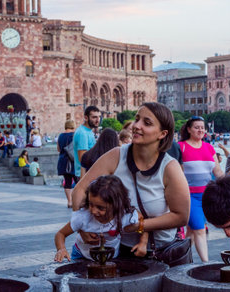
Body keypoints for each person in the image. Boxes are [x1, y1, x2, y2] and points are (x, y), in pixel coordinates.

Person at [72, 102, 190, 261]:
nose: (136, 126)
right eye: (137, 119)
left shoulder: (170, 167)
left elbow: (181, 216)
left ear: (162, 134)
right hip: (120, 249)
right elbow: (79, 190)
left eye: (146, 123)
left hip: (159, 250)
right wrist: (82, 227)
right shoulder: (116, 156)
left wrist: (141, 226)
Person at [55, 175, 148, 262]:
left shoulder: (124, 216)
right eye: (91, 204)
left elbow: (142, 222)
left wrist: (143, 243)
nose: (94, 211)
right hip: (82, 255)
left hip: (111, 257)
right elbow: (60, 234)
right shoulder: (83, 217)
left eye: (101, 208)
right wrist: (61, 249)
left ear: (116, 205)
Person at [178, 116, 223, 262]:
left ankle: (180, 258)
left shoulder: (209, 147)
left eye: (202, 127)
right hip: (188, 196)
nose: (200, 130)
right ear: (189, 129)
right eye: (197, 127)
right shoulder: (181, 147)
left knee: (191, 231)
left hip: (206, 197)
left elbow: (218, 172)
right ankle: (206, 263)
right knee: (199, 229)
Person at [73, 106, 100, 179]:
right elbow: (82, 158)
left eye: (99, 117)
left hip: (88, 173)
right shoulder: (82, 133)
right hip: (84, 175)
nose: (98, 120)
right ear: (86, 118)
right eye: (94, 117)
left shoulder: (88, 131)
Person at [58, 120, 77, 208]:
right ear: (73, 126)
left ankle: (69, 202)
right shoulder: (74, 135)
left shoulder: (60, 136)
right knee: (79, 182)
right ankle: (77, 200)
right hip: (73, 162)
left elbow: (58, 149)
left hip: (63, 161)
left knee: (67, 182)